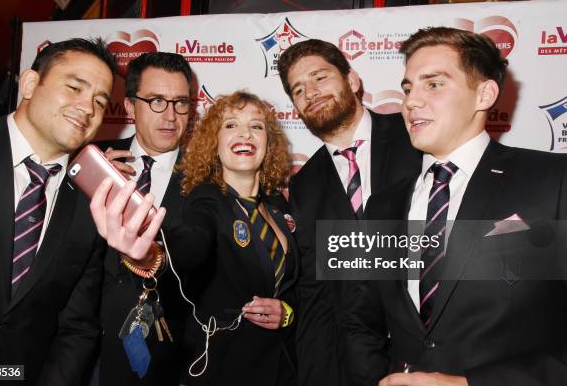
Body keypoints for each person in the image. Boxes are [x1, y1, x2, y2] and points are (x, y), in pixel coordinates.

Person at [345, 26, 567, 386]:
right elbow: (361, 320)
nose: (411, 101)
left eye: (433, 84)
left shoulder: (553, 181)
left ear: (485, 94)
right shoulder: (382, 206)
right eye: (407, 88)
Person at [90, 91, 298, 386]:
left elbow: (294, 288)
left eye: (256, 126)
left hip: (282, 370)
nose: (245, 134)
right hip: (221, 371)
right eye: (230, 125)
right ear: (214, 142)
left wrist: (287, 312)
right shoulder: (207, 200)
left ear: (269, 141)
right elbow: (193, 242)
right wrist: (150, 256)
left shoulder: (278, 207)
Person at [0, 38, 115, 385]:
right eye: (74, 87)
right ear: (29, 83)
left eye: (100, 102)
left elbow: (77, 327)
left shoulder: (90, 206)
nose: (87, 108)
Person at [276, 39, 421, 386]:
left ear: (352, 80)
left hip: (429, 348)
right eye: (299, 89)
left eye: (319, 77)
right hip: (358, 362)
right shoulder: (304, 186)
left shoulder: (416, 136)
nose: (311, 92)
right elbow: (318, 295)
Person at [95, 52, 193, 386]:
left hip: (165, 356)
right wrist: (92, 185)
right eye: (156, 101)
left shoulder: (208, 178)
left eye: (180, 102)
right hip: (85, 347)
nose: (170, 116)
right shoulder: (93, 162)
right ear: (128, 106)